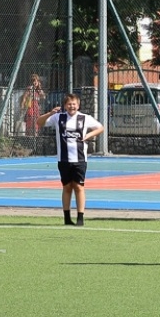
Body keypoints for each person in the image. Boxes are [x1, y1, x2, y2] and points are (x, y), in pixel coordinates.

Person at [40, 93, 105, 225]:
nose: (72, 106)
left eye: (74, 104)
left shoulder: (84, 118)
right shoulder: (58, 117)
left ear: (78, 105)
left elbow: (100, 128)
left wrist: (88, 135)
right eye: (69, 104)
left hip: (80, 159)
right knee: (67, 187)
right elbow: (39, 122)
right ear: (65, 105)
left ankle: (80, 217)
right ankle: (67, 217)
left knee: (79, 187)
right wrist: (49, 113)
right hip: (63, 159)